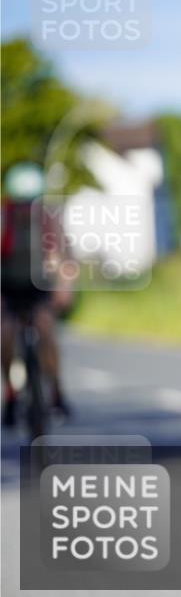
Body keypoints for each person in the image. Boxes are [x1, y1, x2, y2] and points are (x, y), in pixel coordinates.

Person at [1, 162, 74, 426]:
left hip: (38, 288)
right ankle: (10, 394)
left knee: (46, 330)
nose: (25, 210)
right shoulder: (3, 219)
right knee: (6, 335)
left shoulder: (47, 220)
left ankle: (56, 391)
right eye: (21, 204)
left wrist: (63, 287)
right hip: (8, 288)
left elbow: (63, 258)